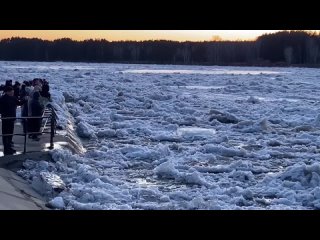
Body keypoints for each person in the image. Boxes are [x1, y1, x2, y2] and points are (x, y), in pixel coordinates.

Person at [0, 86, 23, 155]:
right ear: (7, 92)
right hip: (6, 119)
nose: (12, 92)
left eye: (12, 91)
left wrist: (25, 100)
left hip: (12, 118)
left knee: (10, 134)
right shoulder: (2, 99)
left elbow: (19, 103)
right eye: (10, 91)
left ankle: (9, 147)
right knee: (6, 134)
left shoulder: (13, 97)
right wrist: (4, 112)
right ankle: (6, 149)